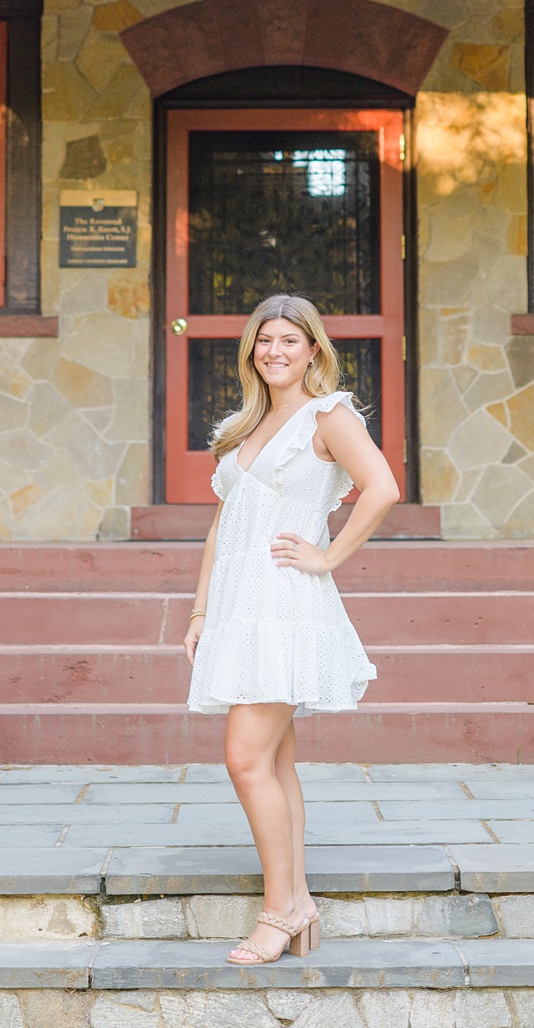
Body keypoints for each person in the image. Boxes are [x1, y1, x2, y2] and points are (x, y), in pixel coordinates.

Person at [181, 294, 398, 966]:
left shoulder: (328, 416)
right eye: (264, 341)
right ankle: (297, 902)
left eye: (289, 341)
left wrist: (328, 555)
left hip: (286, 603)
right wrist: (199, 610)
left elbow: (383, 487)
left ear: (313, 350)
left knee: (244, 758)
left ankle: (283, 908)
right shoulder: (246, 424)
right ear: (252, 350)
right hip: (239, 607)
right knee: (272, 760)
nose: (275, 351)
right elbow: (225, 524)